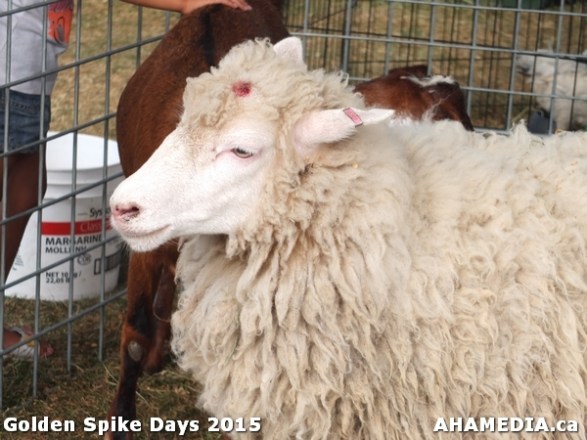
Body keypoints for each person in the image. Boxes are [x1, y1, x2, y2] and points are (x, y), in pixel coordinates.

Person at [0, 0, 251, 359]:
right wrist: (184, 2)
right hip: (9, 74)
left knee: (24, 189)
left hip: (22, 74)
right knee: (14, 192)